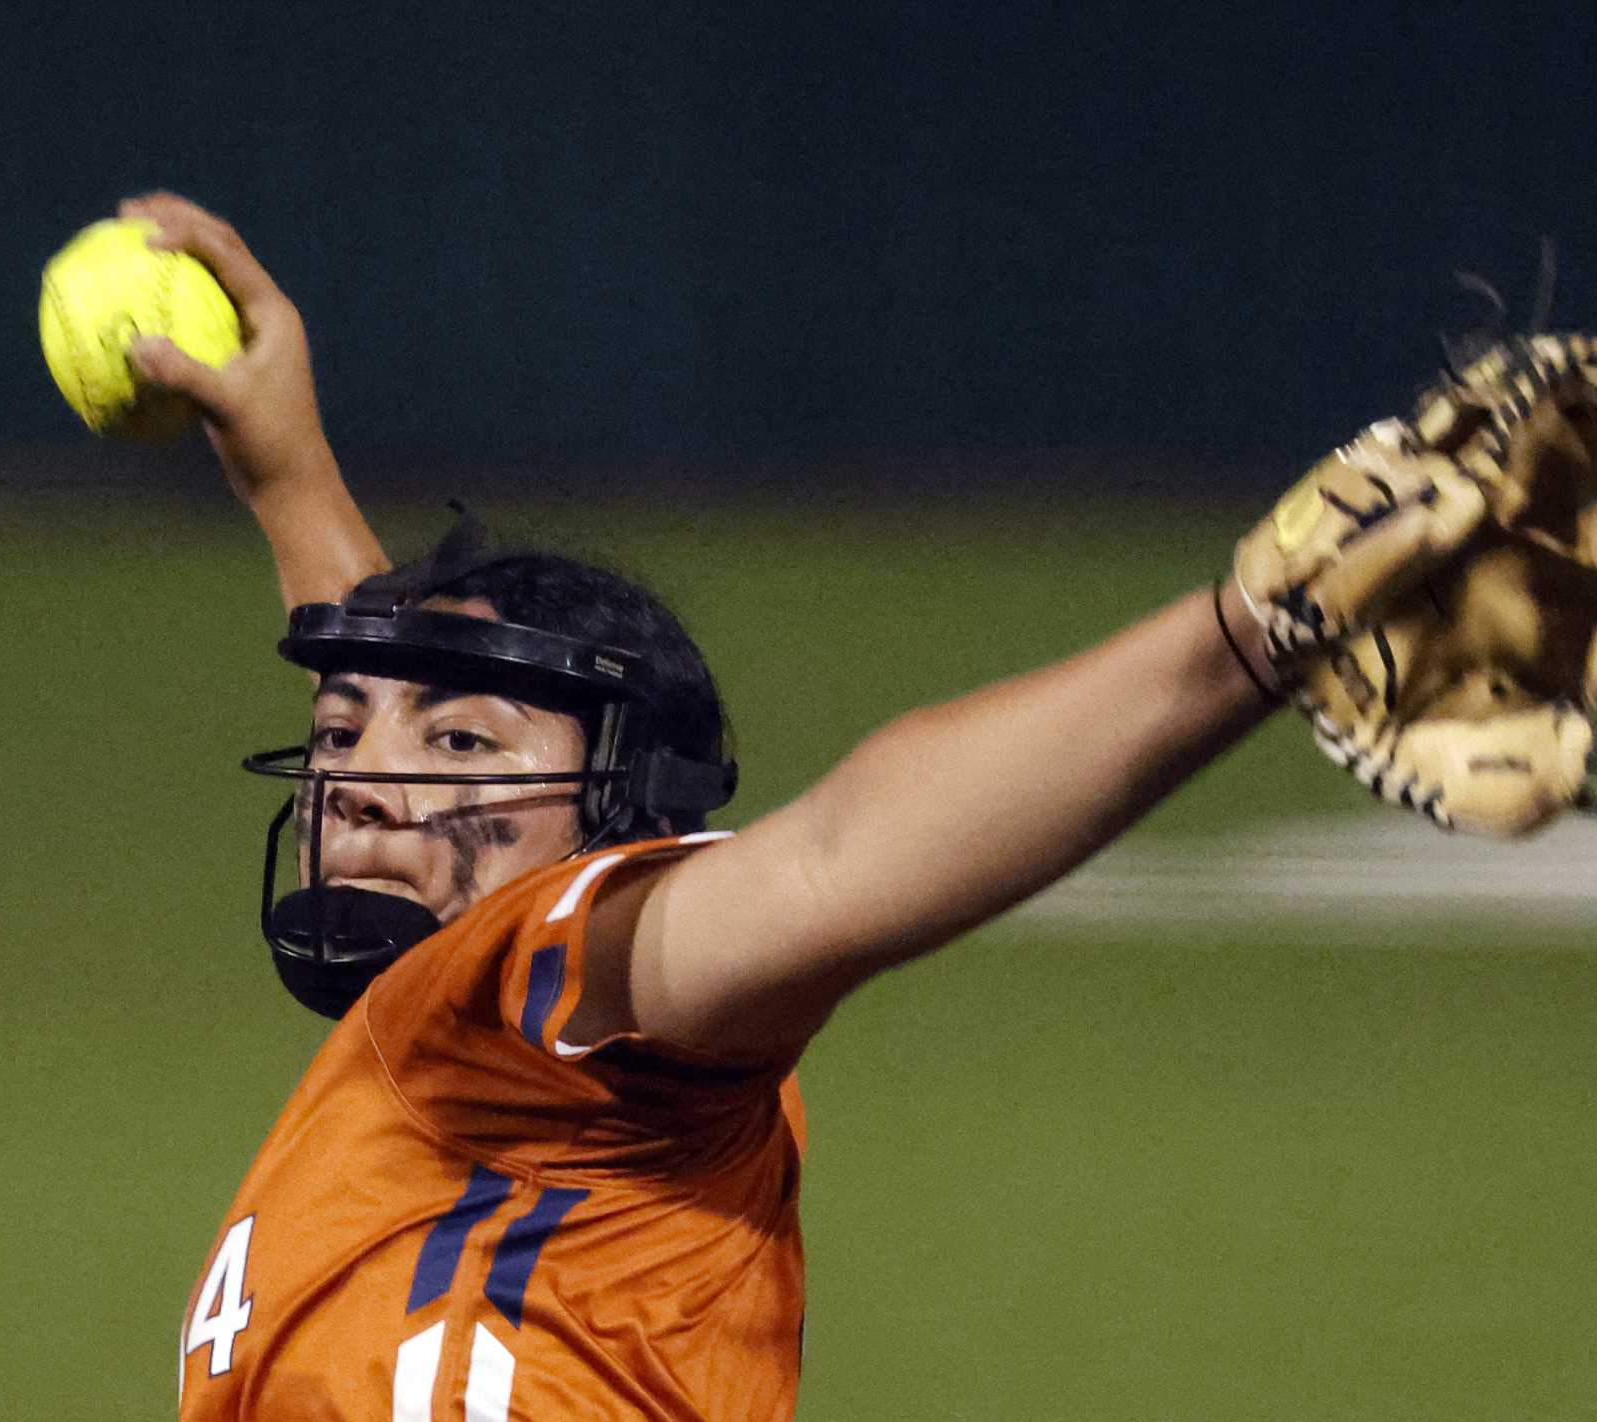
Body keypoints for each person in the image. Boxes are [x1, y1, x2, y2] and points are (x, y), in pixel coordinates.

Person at [123, 192, 1418, 1421]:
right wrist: (288, 476)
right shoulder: (458, 1059)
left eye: (461, 739)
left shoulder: (546, 983)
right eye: (338, 729)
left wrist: (1248, 640)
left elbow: (835, 866)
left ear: (617, 822)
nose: (360, 779)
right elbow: (411, 719)